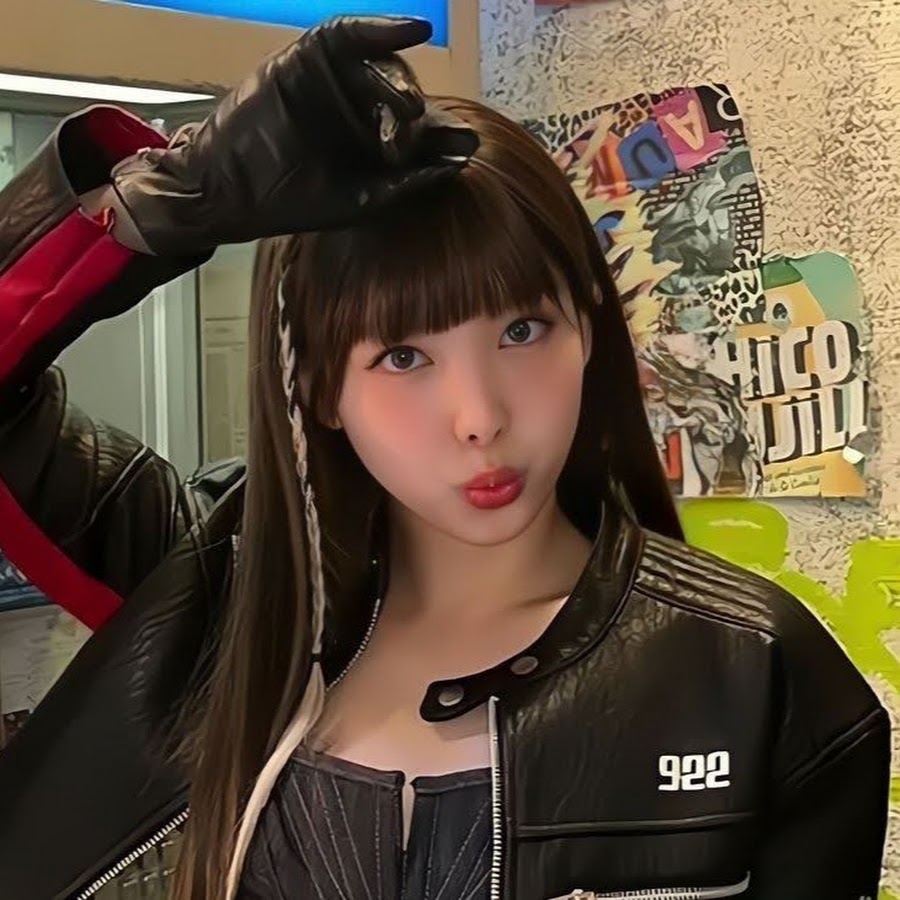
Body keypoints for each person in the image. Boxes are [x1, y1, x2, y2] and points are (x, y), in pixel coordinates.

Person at [0, 14, 889, 900]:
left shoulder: (755, 674)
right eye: (402, 356)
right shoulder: (217, 598)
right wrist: (154, 204)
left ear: (587, 327)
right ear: (319, 389)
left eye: (523, 330)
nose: (480, 418)